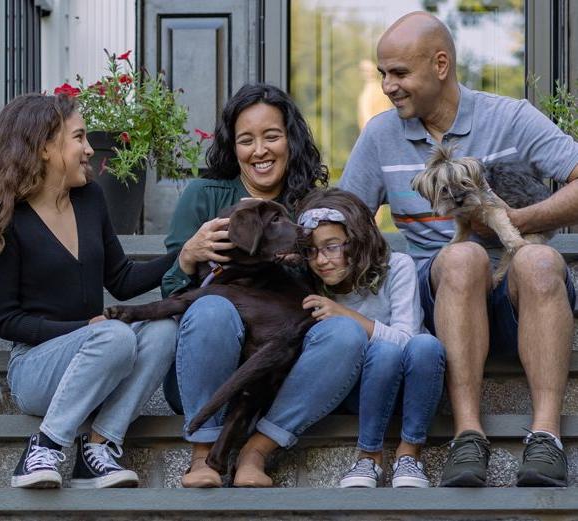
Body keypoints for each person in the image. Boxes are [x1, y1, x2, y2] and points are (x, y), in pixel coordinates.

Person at [340, 11, 578, 487]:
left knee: (539, 259)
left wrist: (517, 221)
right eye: (384, 73)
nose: (387, 85)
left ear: (441, 64)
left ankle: (546, 436)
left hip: (519, 301)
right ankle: (468, 436)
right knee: (463, 257)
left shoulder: (509, 118)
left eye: (399, 73)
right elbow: (346, 221)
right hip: (445, 295)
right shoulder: (380, 135)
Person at [0, 93, 180, 489]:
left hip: (100, 349)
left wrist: (184, 258)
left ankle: (99, 448)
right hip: (36, 368)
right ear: (44, 147)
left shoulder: (90, 198)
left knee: (164, 329)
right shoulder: (6, 219)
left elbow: (121, 279)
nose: (90, 149)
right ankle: (45, 445)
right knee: (113, 335)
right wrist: (84, 330)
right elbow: (7, 322)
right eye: (79, 137)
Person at [163, 83, 367, 488]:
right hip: (210, 367)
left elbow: (342, 286)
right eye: (246, 140)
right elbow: (170, 296)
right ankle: (204, 454)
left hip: (284, 372)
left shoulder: (315, 204)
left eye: (271, 136)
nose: (260, 151)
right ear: (232, 146)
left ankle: (256, 452)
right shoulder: (205, 196)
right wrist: (188, 256)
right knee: (211, 307)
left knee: (345, 331)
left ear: (290, 139)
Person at [295, 188, 445, 488]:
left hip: (415, 386)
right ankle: (368, 457)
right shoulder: (310, 284)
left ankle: (410, 453)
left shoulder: (396, 266)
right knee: (384, 353)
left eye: (332, 246)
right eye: (311, 250)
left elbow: (407, 337)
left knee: (426, 344)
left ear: (358, 240)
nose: (321, 260)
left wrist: (347, 315)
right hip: (357, 391)